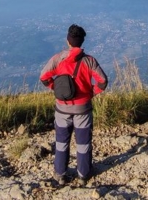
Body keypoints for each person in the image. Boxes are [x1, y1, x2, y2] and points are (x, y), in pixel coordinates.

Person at [40, 24, 108, 186]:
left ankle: (60, 174)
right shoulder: (89, 61)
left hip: (62, 108)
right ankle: (83, 174)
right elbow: (103, 81)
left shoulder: (57, 59)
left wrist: (56, 88)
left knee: (62, 142)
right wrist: (91, 92)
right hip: (83, 109)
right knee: (83, 143)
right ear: (82, 41)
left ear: (68, 41)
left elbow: (44, 77)